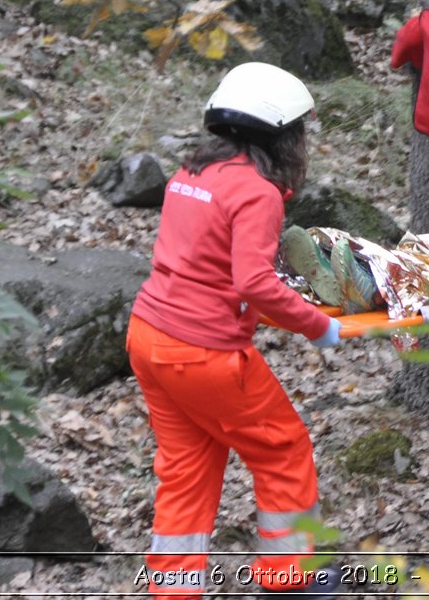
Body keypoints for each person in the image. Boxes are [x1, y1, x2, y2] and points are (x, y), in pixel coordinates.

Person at [127, 62, 343, 599]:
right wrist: (318, 326)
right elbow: (253, 280)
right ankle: (289, 579)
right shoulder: (256, 192)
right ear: (281, 135)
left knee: (187, 467)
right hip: (204, 353)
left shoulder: (190, 174)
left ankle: (174, 589)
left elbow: (207, 263)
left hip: (149, 337)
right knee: (283, 449)